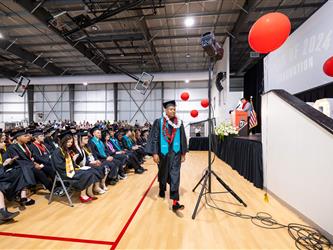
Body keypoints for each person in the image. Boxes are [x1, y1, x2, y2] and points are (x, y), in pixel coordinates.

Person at [146, 100, 187, 212]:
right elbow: (154, 138)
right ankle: (162, 188)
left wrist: (183, 153)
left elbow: (183, 137)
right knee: (163, 173)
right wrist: (154, 153)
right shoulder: (158, 122)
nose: (173, 111)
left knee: (175, 176)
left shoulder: (179, 122)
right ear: (165, 110)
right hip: (162, 153)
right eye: (171, 109)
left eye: (174, 109)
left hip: (175, 153)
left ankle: (175, 202)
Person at [51, 131, 100, 203]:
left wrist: (73, 162)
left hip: (70, 169)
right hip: (64, 173)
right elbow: (60, 166)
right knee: (86, 174)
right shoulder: (57, 152)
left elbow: (71, 164)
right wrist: (73, 162)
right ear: (63, 141)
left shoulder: (66, 150)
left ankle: (89, 193)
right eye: (68, 142)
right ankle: (83, 195)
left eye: (71, 142)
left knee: (90, 171)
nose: (70, 144)